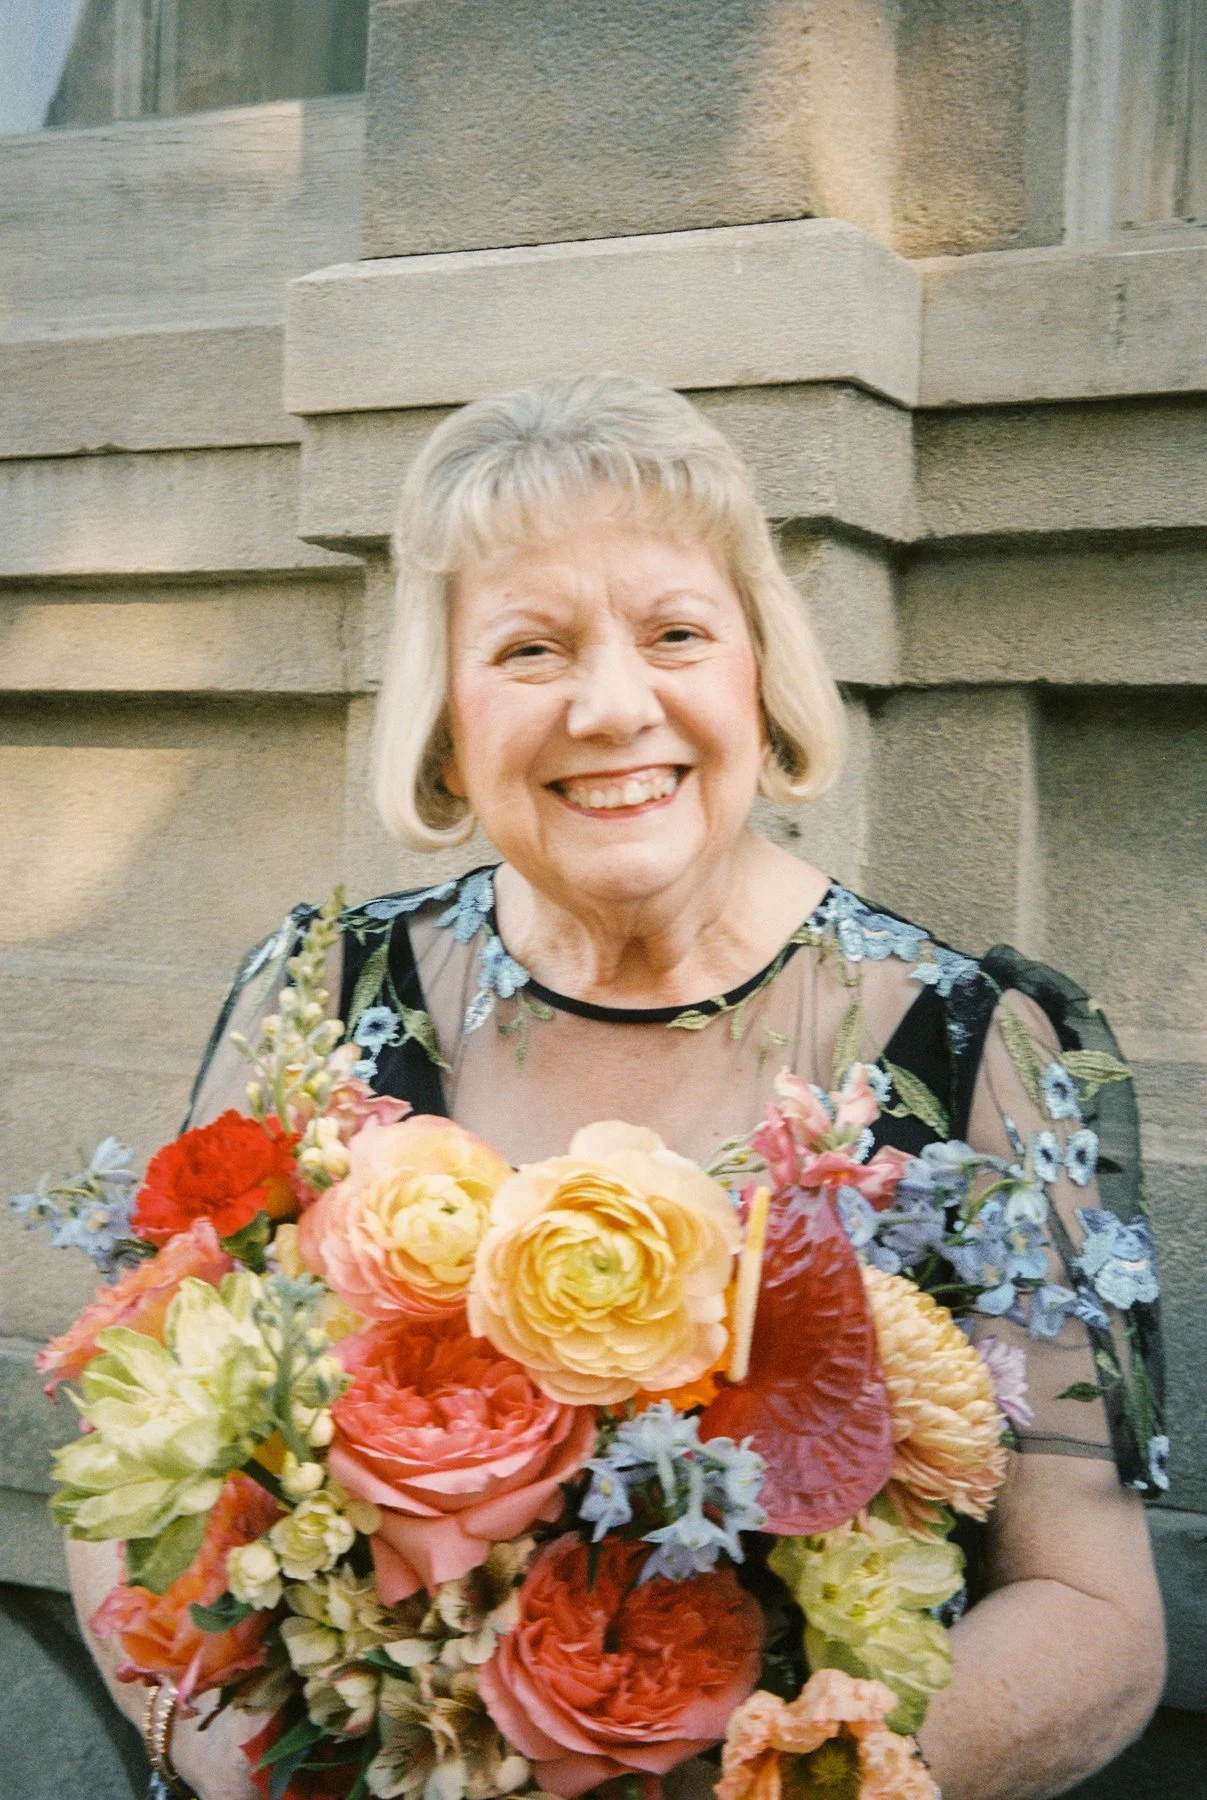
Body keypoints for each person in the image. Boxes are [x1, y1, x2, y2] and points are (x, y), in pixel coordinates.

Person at [67, 374, 1166, 1800]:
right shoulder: (328, 998)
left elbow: (1095, 1620)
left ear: (758, 674)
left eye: (674, 634)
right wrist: (260, 1775)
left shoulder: (971, 1052)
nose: (608, 703)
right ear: (446, 723)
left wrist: (756, 1784)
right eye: (528, 649)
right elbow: (126, 1467)